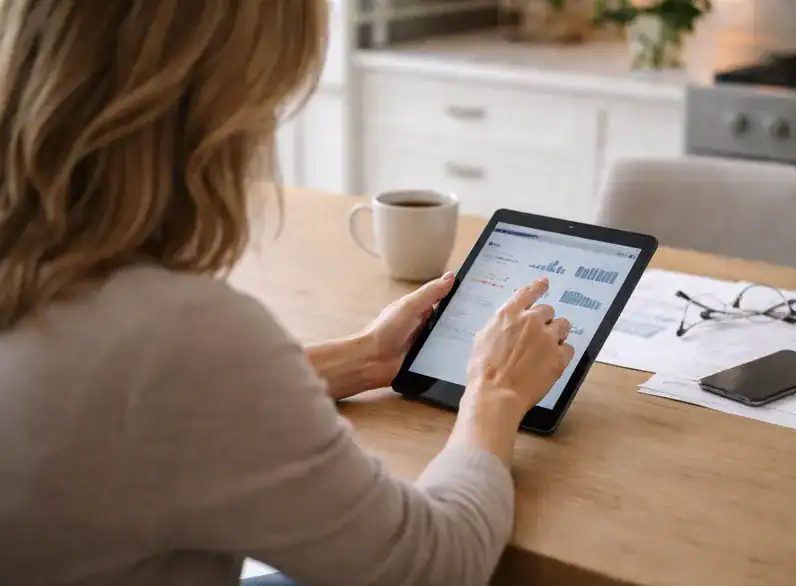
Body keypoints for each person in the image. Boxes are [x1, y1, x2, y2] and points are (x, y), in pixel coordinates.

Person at [0, 2, 575, 586]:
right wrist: (495, 393)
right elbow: (434, 565)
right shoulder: (177, 334)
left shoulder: (45, 281)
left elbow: (142, 406)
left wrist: (364, 356)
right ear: (211, 115)